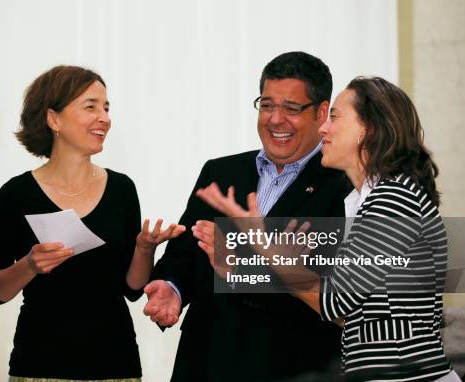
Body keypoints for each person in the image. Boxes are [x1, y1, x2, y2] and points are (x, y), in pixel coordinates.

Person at [196, 76, 459, 381]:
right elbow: (349, 314)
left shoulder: (392, 197)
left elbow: (335, 302)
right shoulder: (369, 198)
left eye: (334, 117)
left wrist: (262, 244)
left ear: (368, 128)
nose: (323, 128)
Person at [143, 52, 351, 381]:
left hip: (291, 365)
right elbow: (184, 255)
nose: (275, 119)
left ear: (321, 112)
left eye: (291, 108)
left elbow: (330, 289)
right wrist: (173, 288)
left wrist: (240, 259)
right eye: (267, 105)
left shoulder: (342, 185)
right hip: (206, 359)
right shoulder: (221, 172)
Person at [0, 65, 184, 381]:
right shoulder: (16, 194)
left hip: (115, 365)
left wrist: (144, 249)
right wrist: (30, 265)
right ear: (54, 119)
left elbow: (131, 289)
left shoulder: (121, 189)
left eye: (106, 107)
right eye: (90, 106)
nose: (104, 117)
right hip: (39, 365)